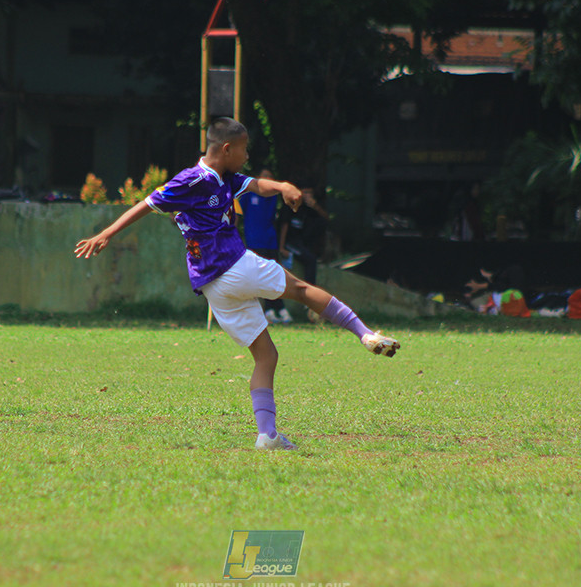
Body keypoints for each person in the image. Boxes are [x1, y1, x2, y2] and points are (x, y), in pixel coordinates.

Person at [75, 117, 399, 452]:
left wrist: (283, 186)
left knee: (266, 356)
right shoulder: (192, 180)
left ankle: (267, 436)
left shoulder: (225, 177)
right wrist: (105, 234)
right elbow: (146, 204)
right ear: (227, 148)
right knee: (300, 289)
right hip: (232, 265)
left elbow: (258, 185)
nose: (246, 156)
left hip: (214, 286)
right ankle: (365, 334)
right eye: (244, 149)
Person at [237, 167, 293, 324]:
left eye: (271, 176)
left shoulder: (273, 197)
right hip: (254, 239)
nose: (268, 179)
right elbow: (239, 214)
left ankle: (279, 308)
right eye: (265, 176)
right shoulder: (248, 195)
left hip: (270, 240)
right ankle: (270, 309)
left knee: (274, 273)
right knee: (262, 276)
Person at [278, 185, 328, 285]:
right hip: (289, 242)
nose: (307, 195)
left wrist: (315, 207)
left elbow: (325, 219)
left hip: (302, 242)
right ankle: (310, 289)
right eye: (305, 192)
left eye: (310, 193)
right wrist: (281, 247)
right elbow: (284, 226)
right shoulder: (290, 205)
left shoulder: (308, 209)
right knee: (310, 260)